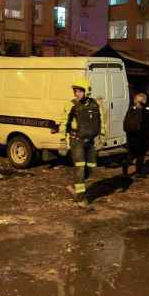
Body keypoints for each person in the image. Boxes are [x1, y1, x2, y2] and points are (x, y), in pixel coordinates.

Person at [64, 78, 102, 208]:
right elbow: (64, 121)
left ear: (87, 92)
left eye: (80, 91)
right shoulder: (71, 104)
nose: (77, 94)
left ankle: (75, 186)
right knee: (80, 167)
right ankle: (80, 199)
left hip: (90, 141)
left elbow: (101, 121)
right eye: (75, 91)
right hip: (77, 140)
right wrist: (62, 140)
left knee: (90, 167)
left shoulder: (95, 104)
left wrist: (101, 136)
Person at [122, 93, 149, 177]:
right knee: (140, 155)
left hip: (131, 136)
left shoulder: (131, 109)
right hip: (142, 137)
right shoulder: (146, 110)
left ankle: (126, 164)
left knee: (131, 154)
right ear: (144, 101)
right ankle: (138, 172)